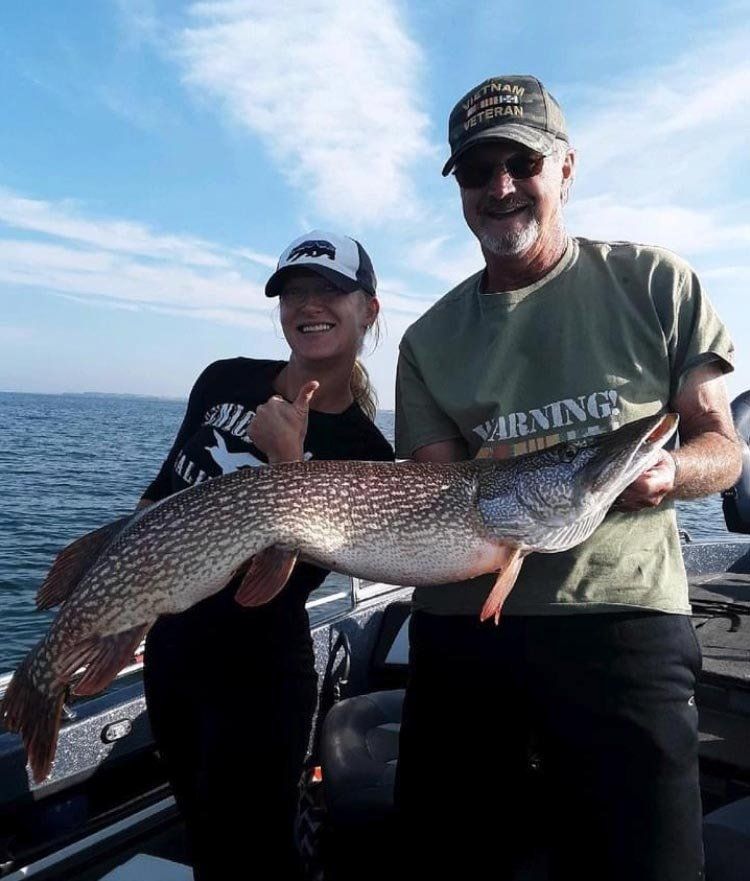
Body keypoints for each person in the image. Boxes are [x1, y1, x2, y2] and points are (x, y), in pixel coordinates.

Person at [394, 75, 742, 881]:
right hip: (464, 628)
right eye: (479, 171)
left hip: (620, 618)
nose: (501, 186)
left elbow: (723, 446)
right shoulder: (427, 338)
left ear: (566, 167)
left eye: (523, 162)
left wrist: (669, 468)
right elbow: (445, 499)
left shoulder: (655, 283)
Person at [140, 230, 393, 881]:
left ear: (368, 308)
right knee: (202, 835)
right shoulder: (225, 377)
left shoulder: (366, 452)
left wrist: (287, 460)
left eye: (330, 290)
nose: (309, 304)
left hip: (257, 678)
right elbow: (160, 499)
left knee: (255, 857)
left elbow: (290, 572)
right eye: (294, 292)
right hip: (171, 652)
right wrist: (124, 612)